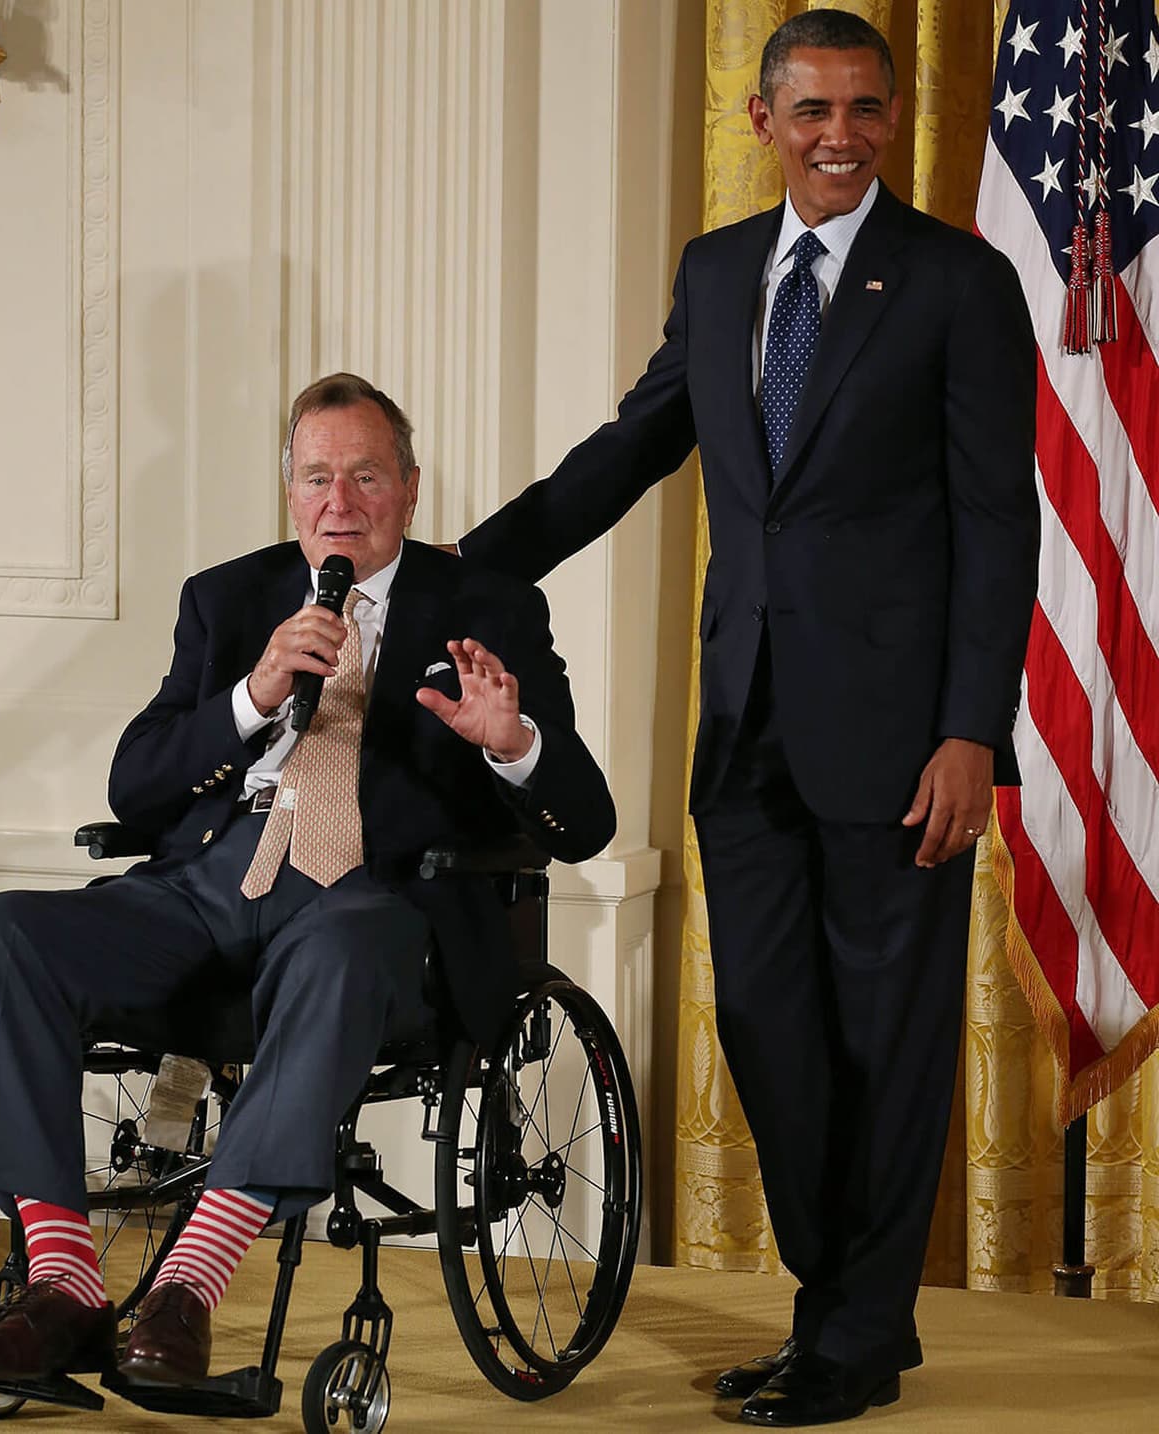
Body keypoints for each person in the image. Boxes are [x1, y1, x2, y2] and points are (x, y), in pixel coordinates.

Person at [458, 11, 1037, 1427]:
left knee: (886, 1043)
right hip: (749, 729)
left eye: (867, 109)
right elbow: (631, 449)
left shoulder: (960, 283)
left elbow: (996, 520)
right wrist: (456, 573)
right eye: (815, 109)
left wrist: (974, 728)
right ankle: (841, 1303)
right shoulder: (720, 273)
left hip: (907, 744)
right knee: (772, 1032)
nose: (842, 133)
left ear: (892, 120)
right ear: (766, 121)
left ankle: (847, 1336)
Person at [0, 372, 615, 1389]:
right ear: (290, 494)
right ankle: (66, 1283)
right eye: (315, 479)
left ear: (410, 488)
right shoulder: (226, 598)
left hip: (376, 903)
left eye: (364, 476)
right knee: (5, 929)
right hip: (210, 882)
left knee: (344, 942)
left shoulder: (491, 607)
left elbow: (586, 821)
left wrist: (508, 740)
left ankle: (186, 1288)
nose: (338, 504)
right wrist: (251, 694)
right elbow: (136, 782)